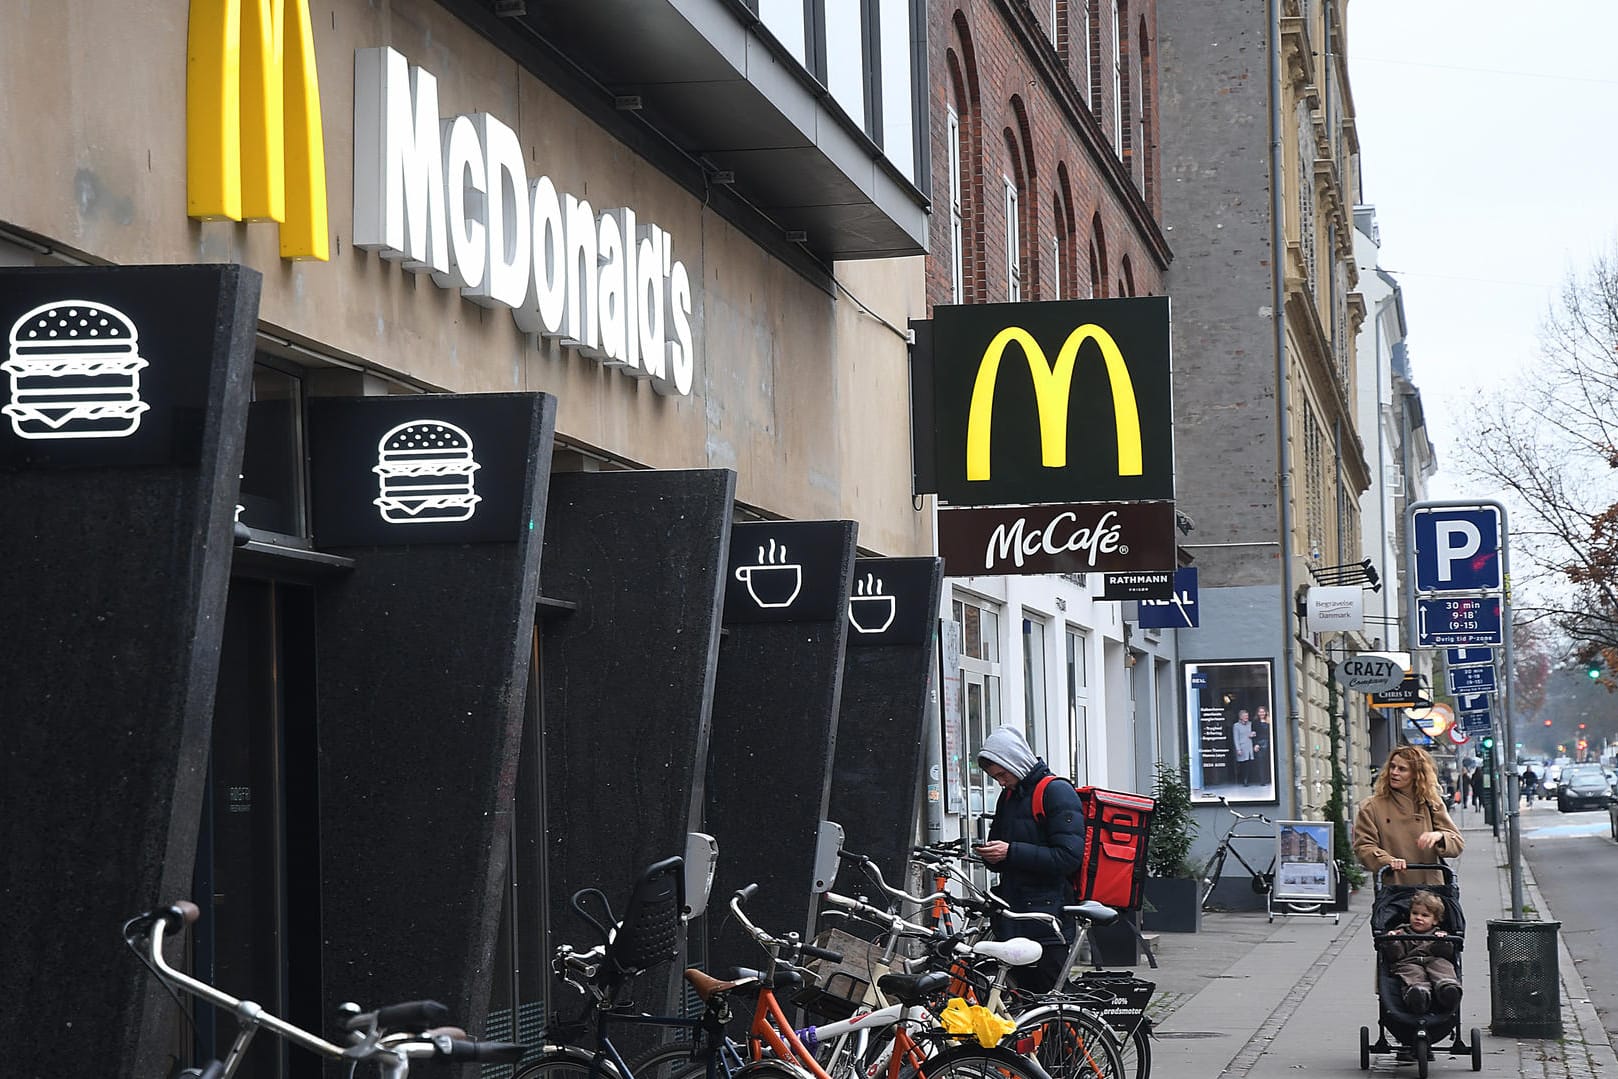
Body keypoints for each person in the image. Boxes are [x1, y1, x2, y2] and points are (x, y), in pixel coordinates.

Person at [973, 725, 1085, 992]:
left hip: (1048, 915)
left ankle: (1080, 1032)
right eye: (994, 777)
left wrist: (1010, 852)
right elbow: (1003, 846)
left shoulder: (1055, 791)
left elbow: (1069, 857)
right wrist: (992, 855)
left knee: (1050, 996)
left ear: (1016, 761)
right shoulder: (1009, 795)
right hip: (1015, 910)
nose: (1000, 781)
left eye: (1002, 774)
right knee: (1023, 995)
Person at [1353, 746, 1465, 886]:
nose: (1394, 772)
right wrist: (1387, 861)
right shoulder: (1372, 807)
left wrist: (1439, 836)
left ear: (1416, 774)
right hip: (1395, 889)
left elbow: (1457, 843)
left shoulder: (1431, 803)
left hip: (1430, 891)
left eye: (1402, 769)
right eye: (1392, 767)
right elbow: (1364, 847)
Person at [1380, 890, 1462, 1013]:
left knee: (1442, 966)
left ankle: (1447, 989)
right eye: (1415, 913)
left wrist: (1442, 942)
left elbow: (1445, 954)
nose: (1418, 918)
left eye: (1425, 915)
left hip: (1433, 959)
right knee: (1411, 972)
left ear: (1435, 920)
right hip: (1409, 962)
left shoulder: (1439, 934)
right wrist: (1392, 941)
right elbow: (1396, 956)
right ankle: (1418, 995)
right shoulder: (1401, 932)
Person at [1232, 710, 1255, 785]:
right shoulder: (1236, 725)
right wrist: (1238, 749)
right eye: (1245, 716)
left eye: (1247, 716)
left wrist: (1253, 734)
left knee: (1248, 763)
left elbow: (1255, 732)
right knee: (1242, 764)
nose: (1246, 717)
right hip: (1242, 747)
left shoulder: (1250, 724)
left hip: (1249, 746)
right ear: (1240, 717)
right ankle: (1243, 780)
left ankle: (1247, 780)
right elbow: (1236, 738)